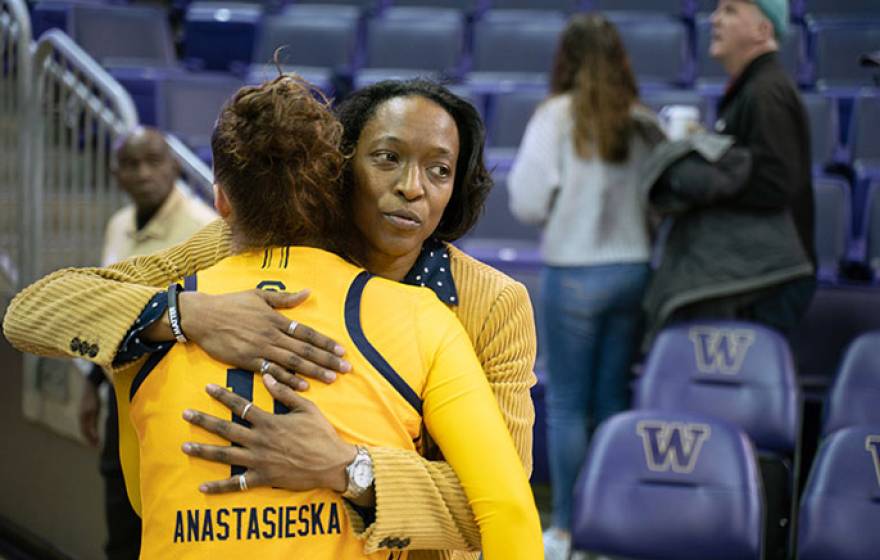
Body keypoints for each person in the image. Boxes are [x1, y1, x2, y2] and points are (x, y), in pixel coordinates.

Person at [2, 79, 538, 560]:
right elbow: (36, 308)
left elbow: (491, 505)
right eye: (387, 158)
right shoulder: (236, 247)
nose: (412, 187)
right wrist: (185, 312)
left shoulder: (492, 304)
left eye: (439, 170)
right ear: (339, 166)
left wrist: (349, 469)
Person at [506, 14, 661, 560]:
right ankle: (614, 527)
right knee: (612, 403)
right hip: (635, 271)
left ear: (565, 59)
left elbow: (525, 200)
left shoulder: (556, 117)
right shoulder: (643, 121)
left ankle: (570, 531)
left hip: (574, 274)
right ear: (621, 58)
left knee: (568, 405)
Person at [79, 127, 215, 560]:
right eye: (131, 164)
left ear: (175, 166)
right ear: (115, 173)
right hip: (119, 396)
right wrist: (91, 385)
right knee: (119, 531)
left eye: (153, 162)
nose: (143, 174)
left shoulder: (204, 230)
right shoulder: (119, 224)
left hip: (173, 402)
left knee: (162, 533)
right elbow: (107, 312)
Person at [651, 0, 814, 334]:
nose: (714, 19)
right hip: (756, 277)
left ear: (762, 30)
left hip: (767, 282)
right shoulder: (754, 87)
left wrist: (699, 179)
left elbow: (775, 183)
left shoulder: (767, 91)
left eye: (730, 10)